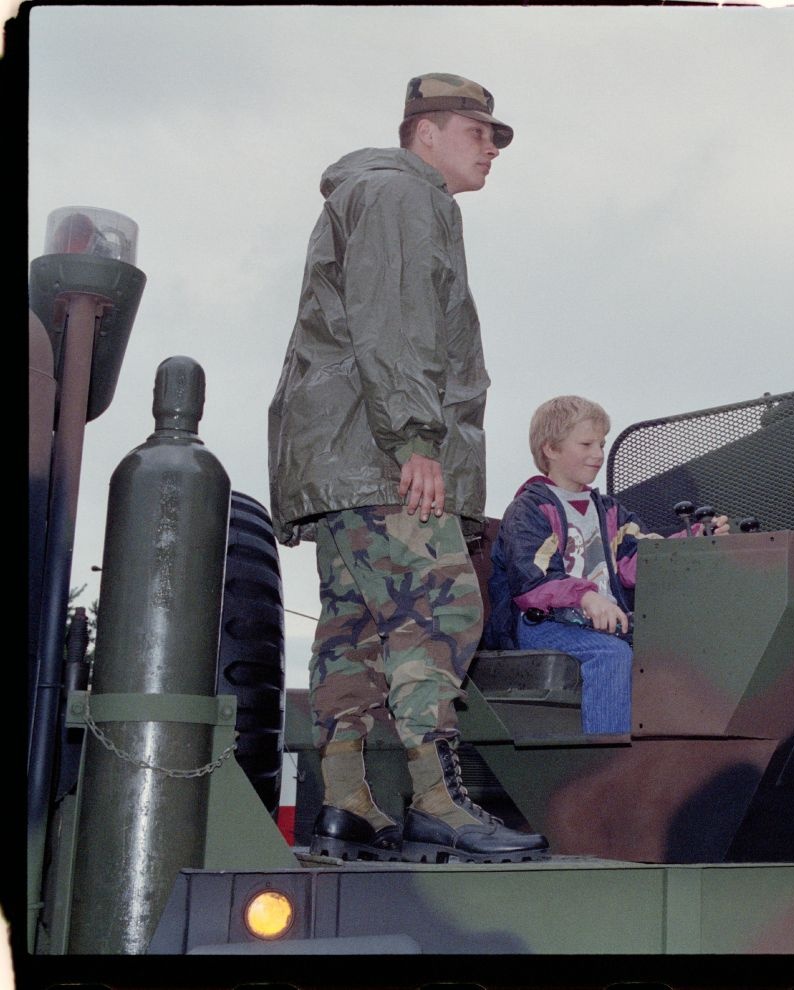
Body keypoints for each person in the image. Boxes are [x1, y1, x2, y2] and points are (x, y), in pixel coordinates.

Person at [267, 73, 547, 864]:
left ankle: (348, 803)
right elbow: (393, 320)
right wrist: (416, 439)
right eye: (477, 131)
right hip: (381, 454)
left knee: (352, 634)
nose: (492, 148)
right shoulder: (403, 194)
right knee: (439, 611)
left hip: (347, 464)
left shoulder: (376, 194)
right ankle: (436, 801)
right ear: (424, 131)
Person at [492, 396, 726, 734]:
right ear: (551, 449)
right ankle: (609, 764)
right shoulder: (528, 510)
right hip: (545, 624)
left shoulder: (609, 511)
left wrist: (695, 538)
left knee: (680, 653)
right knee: (611, 657)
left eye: (601, 444)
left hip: (604, 624)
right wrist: (588, 597)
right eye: (586, 444)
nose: (599, 454)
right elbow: (532, 583)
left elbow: (638, 559)